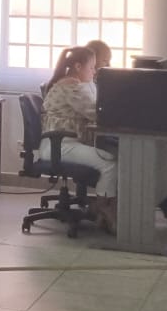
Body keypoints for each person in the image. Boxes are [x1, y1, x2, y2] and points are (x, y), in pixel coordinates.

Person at [39, 47, 117, 219]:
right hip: (60, 146)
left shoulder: (71, 83)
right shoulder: (71, 87)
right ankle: (103, 210)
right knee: (110, 162)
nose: (94, 71)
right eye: (91, 67)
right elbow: (95, 113)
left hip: (60, 145)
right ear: (78, 67)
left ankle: (104, 208)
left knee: (110, 157)